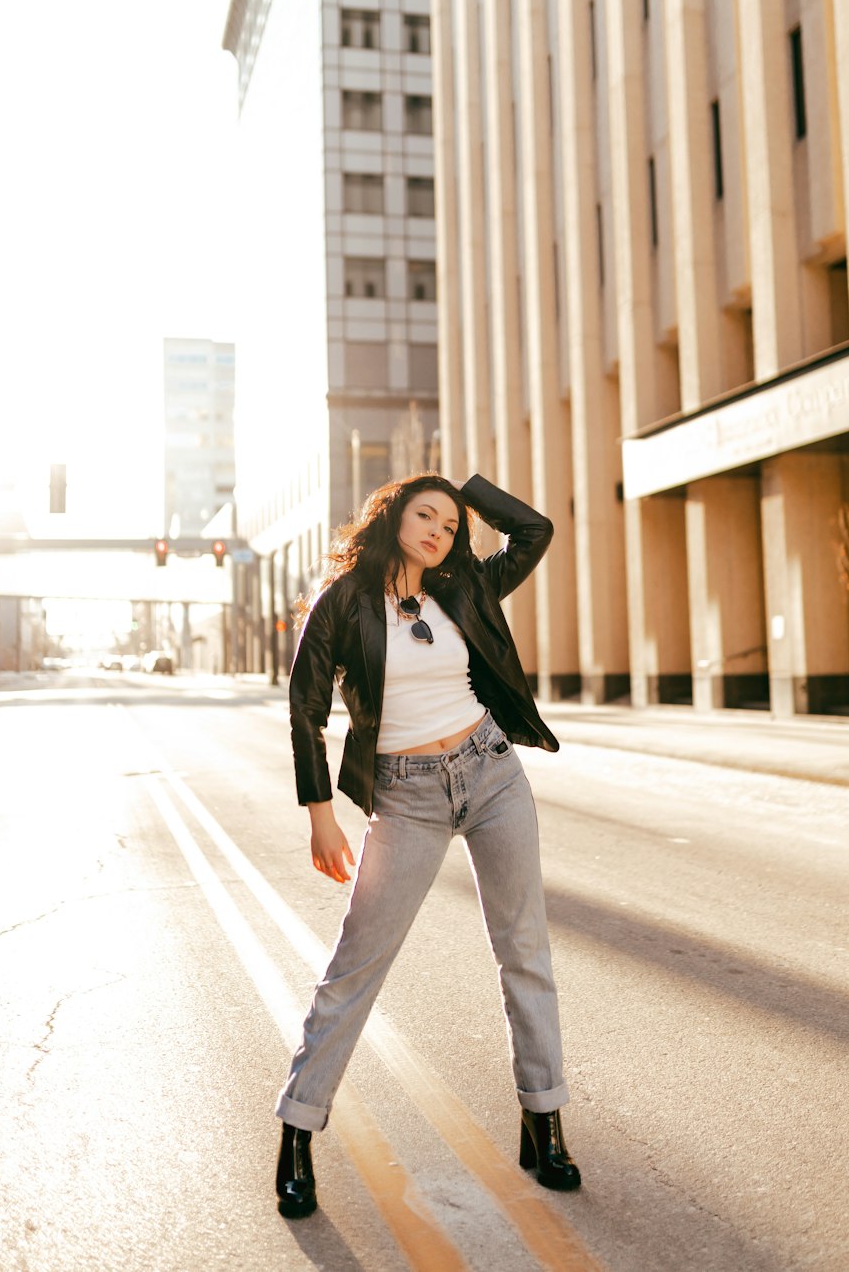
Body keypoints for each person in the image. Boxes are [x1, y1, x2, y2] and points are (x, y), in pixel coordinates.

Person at [275, 473, 580, 1219]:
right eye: (427, 513)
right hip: (406, 795)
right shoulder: (345, 600)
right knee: (356, 965)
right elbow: (306, 704)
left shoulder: (465, 586)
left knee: (524, 949)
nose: (441, 529)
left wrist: (471, 492)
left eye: (451, 521)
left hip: (490, 772)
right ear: (393, 516)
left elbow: (534, 531)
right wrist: (320, 811)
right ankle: (297, 1132)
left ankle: (543, 1121)